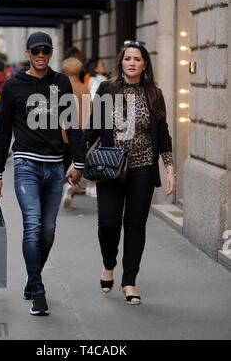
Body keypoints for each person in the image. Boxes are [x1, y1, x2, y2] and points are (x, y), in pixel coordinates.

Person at [0, 32, 86, 316]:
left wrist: (78, 162)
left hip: (55, 166)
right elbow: (3, 131)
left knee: (48, 229)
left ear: (51, 52)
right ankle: (39, 290)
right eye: (36, 51)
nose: (41, 55)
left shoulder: (61, 82)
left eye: (45, 50)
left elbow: (73, 124)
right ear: (28, 53)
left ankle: (32, 278)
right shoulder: (12, 86)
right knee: (32, 225)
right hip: (26, 165)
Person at [84, 40, 176, 305]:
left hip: (143, 168)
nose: (132, 63)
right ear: (121, 62)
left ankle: (129, 281)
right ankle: (109, 264)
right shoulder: (106, 89)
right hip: (112, 167)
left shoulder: (154, 94)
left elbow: (163, 134)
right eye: (127, 59)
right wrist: (77, 162)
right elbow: (93, 129)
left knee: (135, 225)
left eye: (137, 59)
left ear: (144, 64)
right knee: (108, 223)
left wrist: (170, 169)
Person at [60, 57, 91, 208]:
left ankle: (66, 185)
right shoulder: (84, 89)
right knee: (75, 162)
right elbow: (88, 114)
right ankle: (71, 184)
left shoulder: (59, 87)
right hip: (78, 134)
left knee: (62, 161)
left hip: (60, 131)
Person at [84, 57, 109, 197]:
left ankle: (91, 183)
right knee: (96, 150)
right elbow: (94, 101)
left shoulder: (96, 79)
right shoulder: (97, 80)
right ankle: (92, 183)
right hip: (98, 121)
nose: (105, 65)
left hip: (96, 120)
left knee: (95, 150)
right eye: (102, 64)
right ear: (96, 68)